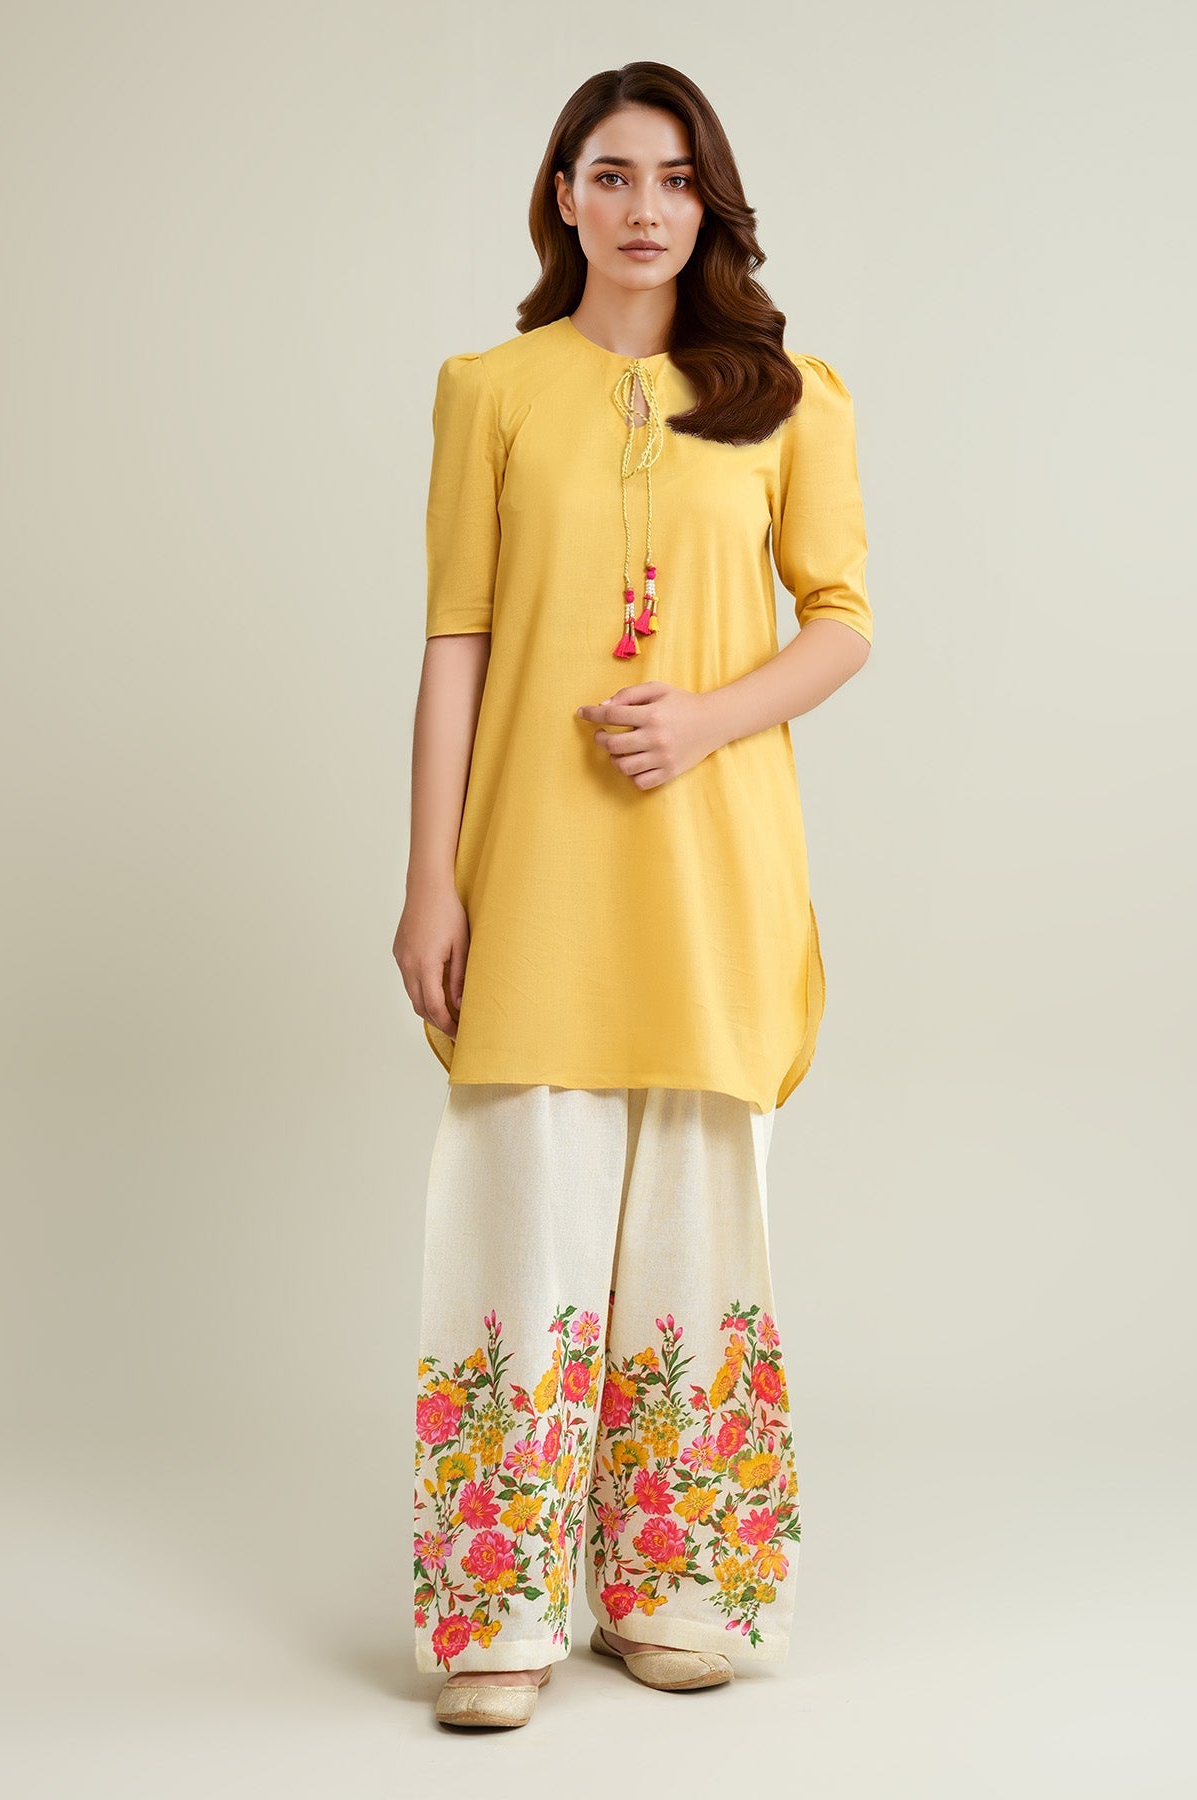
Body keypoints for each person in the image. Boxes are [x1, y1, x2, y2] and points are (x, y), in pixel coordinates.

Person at [393, 60, 873, 1731]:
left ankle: (677, 1592)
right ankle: (501, 1617)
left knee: (697, 1218)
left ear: (709, 202)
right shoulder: (489, 391)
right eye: (611, 174)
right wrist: (428, 880)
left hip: (713, 866)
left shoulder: (788, 396)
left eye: (675, 179)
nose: (645, 207)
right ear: (564, 197)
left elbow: (843, 618)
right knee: (517, 1224)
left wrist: (708, 719)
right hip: (532, 866)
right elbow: (457, 640)